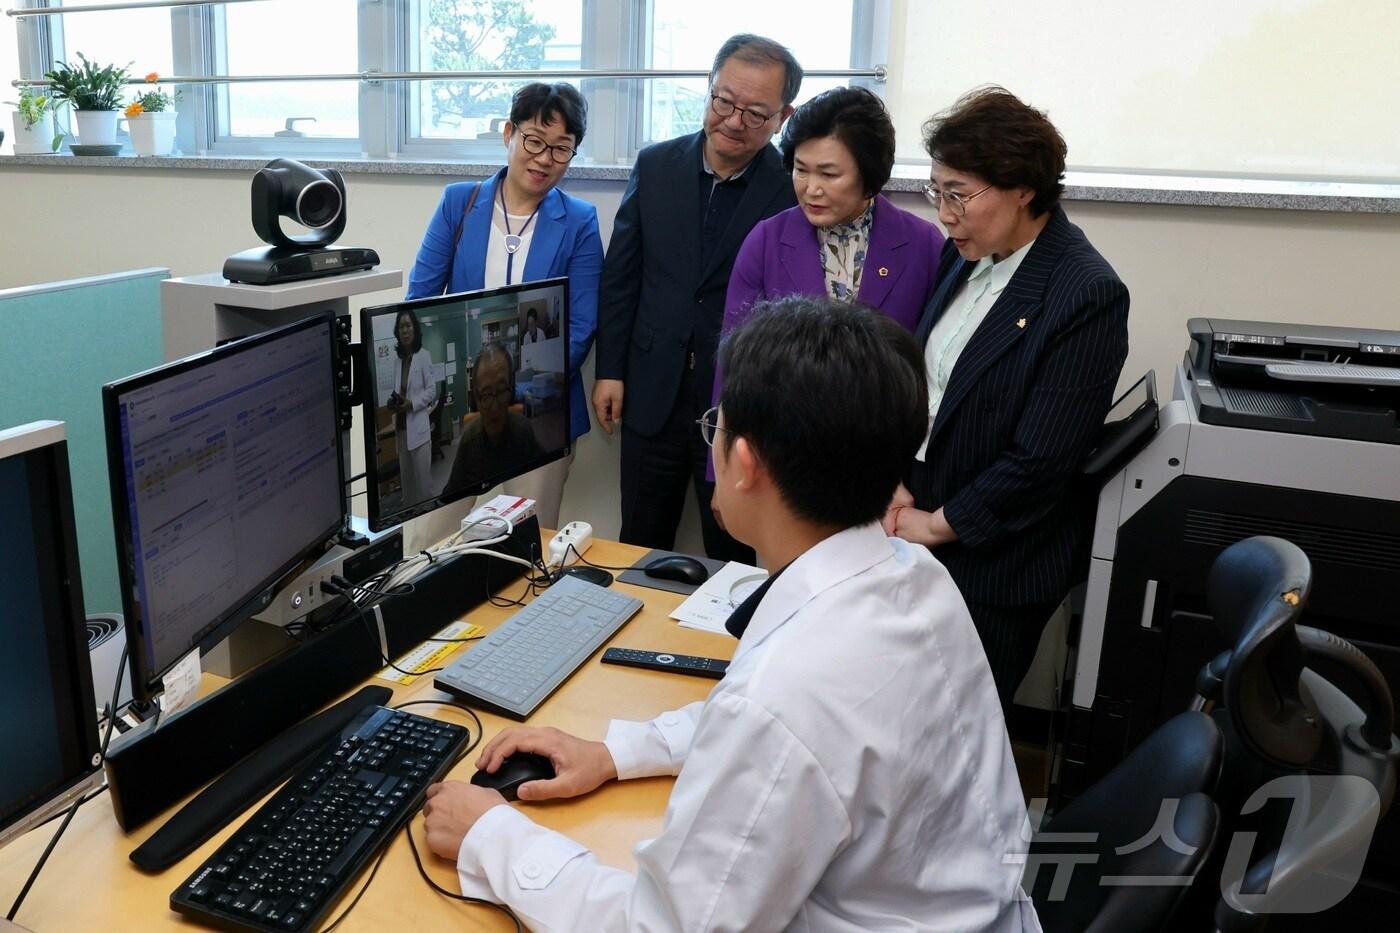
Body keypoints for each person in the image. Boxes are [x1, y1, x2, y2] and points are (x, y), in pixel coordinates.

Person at [422, 297, 1041, 933]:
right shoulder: (913, 575)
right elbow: (781, 738)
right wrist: (616, 752)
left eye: (715, 423)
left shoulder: (786, 692)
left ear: (744, 463)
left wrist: (492, 837)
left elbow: (663, 927)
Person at [884, 87, 1130, 711]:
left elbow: (1040, 458)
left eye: (959, 193)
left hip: (991, 561)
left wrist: (937, 526)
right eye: (935, 191)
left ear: (1023, 188)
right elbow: (929, 385)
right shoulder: (965, 254)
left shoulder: (1085, 294)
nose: (944, 213)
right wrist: (892, 480)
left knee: (952, 739)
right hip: (911, 517)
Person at [592, 34, 802, 563]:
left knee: (732, 551)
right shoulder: (657, 164)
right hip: (650, 387)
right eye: (724, 101)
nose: (733, 120)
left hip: (735, 404)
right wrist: (609, 369)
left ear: (782, 117)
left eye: (755, 113)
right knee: (640, 540)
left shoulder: (790, 189)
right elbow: (623, 274)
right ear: (709, 89)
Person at [406, 82, 601, 530]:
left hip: (542, 415)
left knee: (530, 545)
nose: (544, 158)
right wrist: (465, 388)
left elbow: (581, 325)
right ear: (509, 133)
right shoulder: (460, 203)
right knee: (428, 541)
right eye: (534, 140)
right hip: (459, 414)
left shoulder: (579, 220)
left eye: (561, 148)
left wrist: (517, 392)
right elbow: (420, 302)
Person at [723, 85, 943, 334]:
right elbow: (735, 356)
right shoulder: (765, 241)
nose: (812, 189)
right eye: (801, 170)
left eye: (829, 174)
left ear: (869, 172)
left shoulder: (923, 243)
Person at [444, 343, 545, 499]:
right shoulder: (469, 441)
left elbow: (542, 475)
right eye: (486, 395)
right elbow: (449, 498)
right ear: (476, 400)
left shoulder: (523, 430)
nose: (495, 405)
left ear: (511, 391)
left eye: (502, 391)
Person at [386, 307, 436, 508]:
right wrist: (394, 402)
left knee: (424, 485)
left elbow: (431, 391)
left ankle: (429, 520)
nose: (405, 330)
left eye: (408, 325)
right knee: (406, 483)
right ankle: (411, 519)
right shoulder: (397, 361)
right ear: (397, 332)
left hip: (419, 430)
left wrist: (411, 404)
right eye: (401, 327)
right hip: (401, 429)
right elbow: (397, 390)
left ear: (414, 328)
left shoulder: (424, 356)